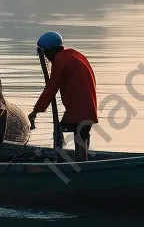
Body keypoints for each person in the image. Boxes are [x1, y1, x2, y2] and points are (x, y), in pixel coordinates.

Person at [29, 31, 98, 161]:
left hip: (79, 108)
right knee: (81, 133)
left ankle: (66, 162)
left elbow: (51, 88)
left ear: (51, 50)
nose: (45, 56)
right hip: (87, 106)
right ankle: (80, 161)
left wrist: (36, 110)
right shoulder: (73, 54)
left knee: (64, 131)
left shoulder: (60, 60)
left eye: (45, 52)